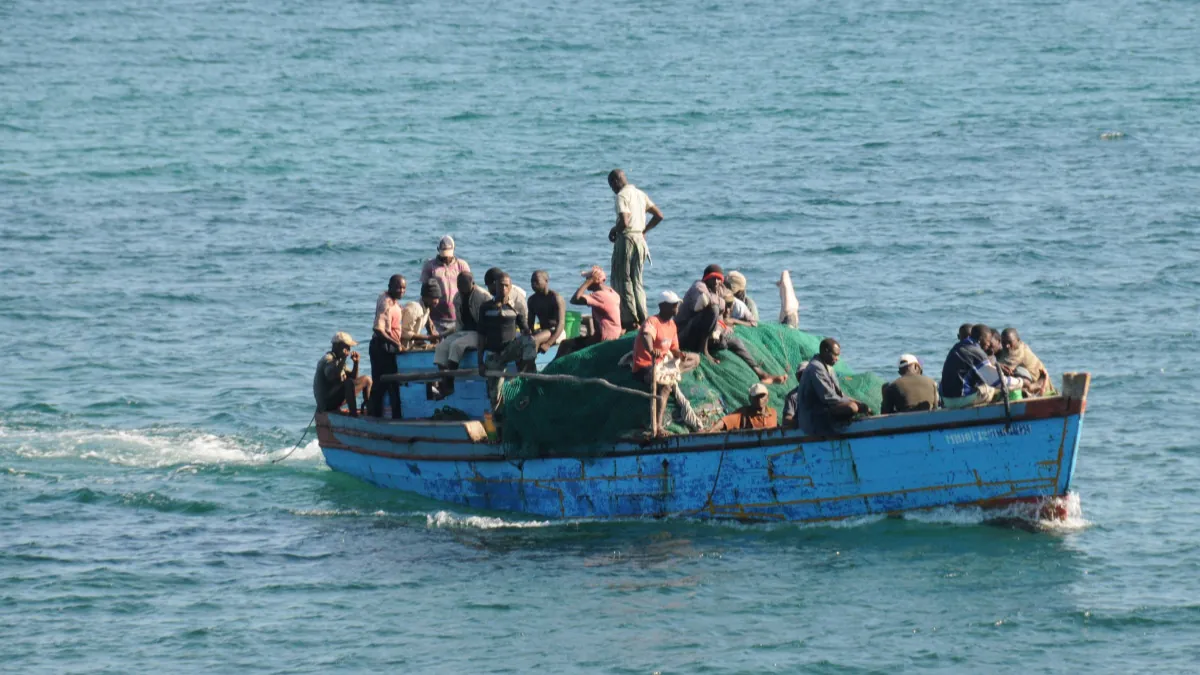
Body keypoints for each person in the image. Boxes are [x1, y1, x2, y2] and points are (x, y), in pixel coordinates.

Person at [676, 264, 787, 384]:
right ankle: (703, 350)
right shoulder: (698, 287)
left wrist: (721, 330)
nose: (716, 281)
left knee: (735, 342)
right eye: (713, 278)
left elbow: (719, 320)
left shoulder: (720, 291)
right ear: (706, 278)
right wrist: (722, 303)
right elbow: (707, 300)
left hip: (702, 335)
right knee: (713, 308)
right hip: (684, 335)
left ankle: (761, 373)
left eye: (719, 279)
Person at [632, 291, 700, 433]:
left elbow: (674, 348)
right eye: (674, 306)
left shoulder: (672, 325)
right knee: (665, 387)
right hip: (646, 365)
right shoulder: (653, 321)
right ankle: (658, 425)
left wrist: (680, 354)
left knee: (696, 358)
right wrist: (651, 349)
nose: (677, 309)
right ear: (663, 306)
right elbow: (647, 335)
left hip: (663, 362)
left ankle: (672, 372)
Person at [607, 169, 664, 330]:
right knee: (637, 280)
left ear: (615, 182)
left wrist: (614, 230)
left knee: (622, 279)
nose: (612, 189)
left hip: (626, 240)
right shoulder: (640, 194)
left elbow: (624, 221)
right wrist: (644, 230)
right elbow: (659, 215)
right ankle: (643, 316)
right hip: (640, 240)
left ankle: (630, 319)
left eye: (612, 185)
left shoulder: (622, 196)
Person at [477, 271, 536, 414]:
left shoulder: (515, 307)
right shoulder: (485, 308)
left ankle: (526, 375)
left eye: (506, 286)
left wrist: (530, 335)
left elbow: (525, 331)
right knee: (494, 396)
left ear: (510, 288)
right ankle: (499, 424)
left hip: (510, 349)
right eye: (500, 285)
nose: (503, 289)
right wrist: (480, 361)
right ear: (494, 286)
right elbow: (481, 335)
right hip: (493, 354)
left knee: (529, 340)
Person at [786, 338, 871, 434]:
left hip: (822, 411)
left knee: (857, 405)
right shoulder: (816, 368)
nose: (837, 359)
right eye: (835, 355)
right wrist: (857, 406)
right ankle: (837, 428)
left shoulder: (827, 368)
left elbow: (838, 394)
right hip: (813, 419)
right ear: (826, 351)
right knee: (852, 408)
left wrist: (858, 402)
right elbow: (828, 396)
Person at [433, 271, 491, 399]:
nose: (461, 288)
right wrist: (445, 334)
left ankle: (449, 383)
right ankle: (444, 381)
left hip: (480, 332)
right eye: (459, 285)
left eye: (464, 284)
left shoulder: (483, 297)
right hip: (463, 331)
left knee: (457, 345)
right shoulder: (457, 298)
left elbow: (488, 323)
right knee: (441, 347)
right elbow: (458, 323)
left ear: (472, 283)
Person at [558, 265, 623, 358]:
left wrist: (589, 282)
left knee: (566, 344)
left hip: (604, 339)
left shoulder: (600, 296)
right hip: (612, 334)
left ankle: (551, 369)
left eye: (588, 279)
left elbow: (574, 299)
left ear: (595, 281)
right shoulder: (611, 292)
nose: (586, 281)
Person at [367, 275, 406, 418]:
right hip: (382, 347)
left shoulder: (394, 302)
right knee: (382, 383)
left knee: (392, 384)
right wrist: (395, 343)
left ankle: (392, 416)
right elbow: (378, 329)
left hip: (389, 346)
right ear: (389, 287)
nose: (401, 290)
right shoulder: (386, 302)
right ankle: (376, 417)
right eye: (398, 287)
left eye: (403, 288)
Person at [940, 324, 1000, 408]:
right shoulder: (975, 351)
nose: (989, 344)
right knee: (989, 389)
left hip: (946, 401)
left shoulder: (956, 348)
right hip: (959, 401)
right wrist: (1020, 382)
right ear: (980, 340)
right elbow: (996, 381)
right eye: (988, 341)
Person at [420, 235, 471, 334]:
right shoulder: (430, 266)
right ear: (438, 250)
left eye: (448, 255)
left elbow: (469, 291)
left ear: (454, 250)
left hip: (457, 317)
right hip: (436, 318)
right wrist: (428, 321)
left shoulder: (461, 265)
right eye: (443, 256)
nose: (446, 258)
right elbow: (424, 295)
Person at [314, 332, 372, 417]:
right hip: (326, 404)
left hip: (333, 399)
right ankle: (353, 415)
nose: (349, 350)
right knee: (348, 383)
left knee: (366, 379)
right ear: (337, 346)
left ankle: (370, 411)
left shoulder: (339, 360)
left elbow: (353, 379)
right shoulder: (327, 359)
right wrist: (344, 359)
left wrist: (356, 363)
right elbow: (332, 376)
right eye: (346, 347)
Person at [998, 327, 1054, 396]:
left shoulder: (1017, 353)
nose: (1007, 346)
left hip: (1040, 389)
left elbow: (998, 369)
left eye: (1010, 342)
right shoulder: (1019, 346)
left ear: (1018, 340)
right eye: (1004, 343)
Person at [709, 383, 778, 432]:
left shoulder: (773, 412)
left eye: (762, 396)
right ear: (750, 399)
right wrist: (711, 431)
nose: (759, 400)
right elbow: (725, 421)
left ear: (768, 398)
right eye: (756, 397)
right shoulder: (744, 413)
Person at [527, 270, 566, 355]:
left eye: (536, 281)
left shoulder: (556, 298)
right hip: (543, 330)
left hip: (557, 332)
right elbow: (530, 324)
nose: (533, 284)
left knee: (534, 340)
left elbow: (561, 324)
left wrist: (548, 344)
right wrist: (528, 334)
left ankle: (529, 366)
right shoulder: (532, 300)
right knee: (524, 342)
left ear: (546, 281)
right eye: (532, 281)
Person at [400, 279, 443, 349]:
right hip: (402, 348)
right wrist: (428, 338)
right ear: (425, 297)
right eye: (434, 298)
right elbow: (404, 333)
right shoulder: (414, 308)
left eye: (438, 298)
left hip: (412, 344)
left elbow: (430, 327)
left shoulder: (426, 309)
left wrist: (434, 337)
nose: (437, 301)